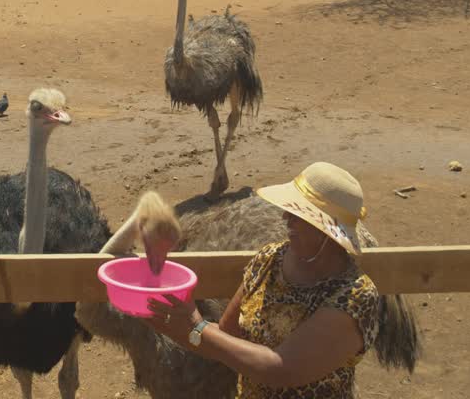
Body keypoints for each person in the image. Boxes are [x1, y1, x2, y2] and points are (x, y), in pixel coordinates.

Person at [144, 162, 380, 399]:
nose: (286, 219)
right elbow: (226, 337)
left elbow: (280, 369)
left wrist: (196, 325)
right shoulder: (269, 260)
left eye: (298, 215)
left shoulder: (355, 297)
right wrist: (170, 324)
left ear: (326, 231)